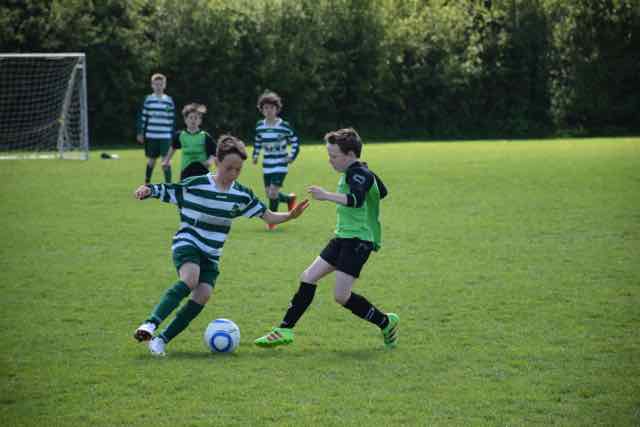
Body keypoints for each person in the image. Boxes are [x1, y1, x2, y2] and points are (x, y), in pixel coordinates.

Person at [133, 135, 310, 356]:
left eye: (238, 170)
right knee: (190, 279)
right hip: (188, 241)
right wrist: (148, 190)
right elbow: (170, 190)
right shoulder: (197, 184)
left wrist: (290, 215)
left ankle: (160, 340)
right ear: (217, 162)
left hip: (211, 253)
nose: (233, 174)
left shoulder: (241, 195)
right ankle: (150, 324)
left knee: (203, 294)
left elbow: (268, 216)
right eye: (229, 168)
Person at [254, 128, 399, 349]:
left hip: (358, 241)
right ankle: (284, 330)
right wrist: (367, 175)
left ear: (350, 154)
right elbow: (383, 191)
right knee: (308, 277)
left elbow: (356, 200)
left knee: (341, 296)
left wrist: (326, 195)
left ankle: (386, 322)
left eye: (334, 156)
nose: (330, 160)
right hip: (342, 237)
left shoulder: (356, 173)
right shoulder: (359, 171)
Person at [252, 90, 300, 230]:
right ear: (261, 110)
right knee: (270, 194)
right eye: (265, 108)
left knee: (273, 193)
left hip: (280, 164)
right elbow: (257, 142)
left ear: (277, 109)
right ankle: (289, 199)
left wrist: (291, 156)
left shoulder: (284, 126)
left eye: (271, 108)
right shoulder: (260, 126)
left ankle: (272, 221)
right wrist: (255, 155)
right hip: (267, 165)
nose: (268, 110)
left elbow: (295, 141)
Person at [137, 73, 175, 183]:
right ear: (152, 85)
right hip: (151, 135)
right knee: (151, 160)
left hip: (165, 136)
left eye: (161, 84)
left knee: (166, 160)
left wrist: (172, 136)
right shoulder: (148, 100)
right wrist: (140, 132)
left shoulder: (169, 100)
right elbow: (143, 118)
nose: (158, 86)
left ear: (164, 85)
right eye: (156, 84)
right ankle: (147, 182)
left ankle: (168, 185)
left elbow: (172, 119)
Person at [162, 103, 216, 180]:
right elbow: (173, 147)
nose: (193, 120)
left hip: (202, 172)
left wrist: (209, 162)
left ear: (200, 120)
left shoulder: (205, 136)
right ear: (185, 120)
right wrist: (166, 161)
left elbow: (214, 152)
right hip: (185, 172)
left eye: (196, 118)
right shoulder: (180, 135)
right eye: (190, 118)